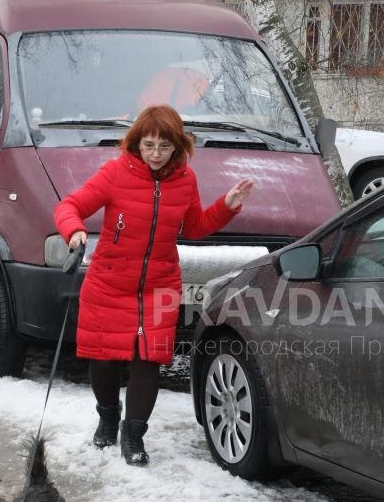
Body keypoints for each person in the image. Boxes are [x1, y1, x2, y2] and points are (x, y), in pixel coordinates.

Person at [53, 104, 254, 466]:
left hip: (159, 286)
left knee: (149, 361)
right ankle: (108, 416)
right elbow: (69, 207)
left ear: (178, 146)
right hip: (109, 283)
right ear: (136, 143)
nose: (156, 154)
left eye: (164, 147)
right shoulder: (115, 173)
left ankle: (133, 435)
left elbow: (194, 227)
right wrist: (75, 231)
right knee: (104, 359)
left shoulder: (185, 180)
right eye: (148, 146)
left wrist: (226, 206)